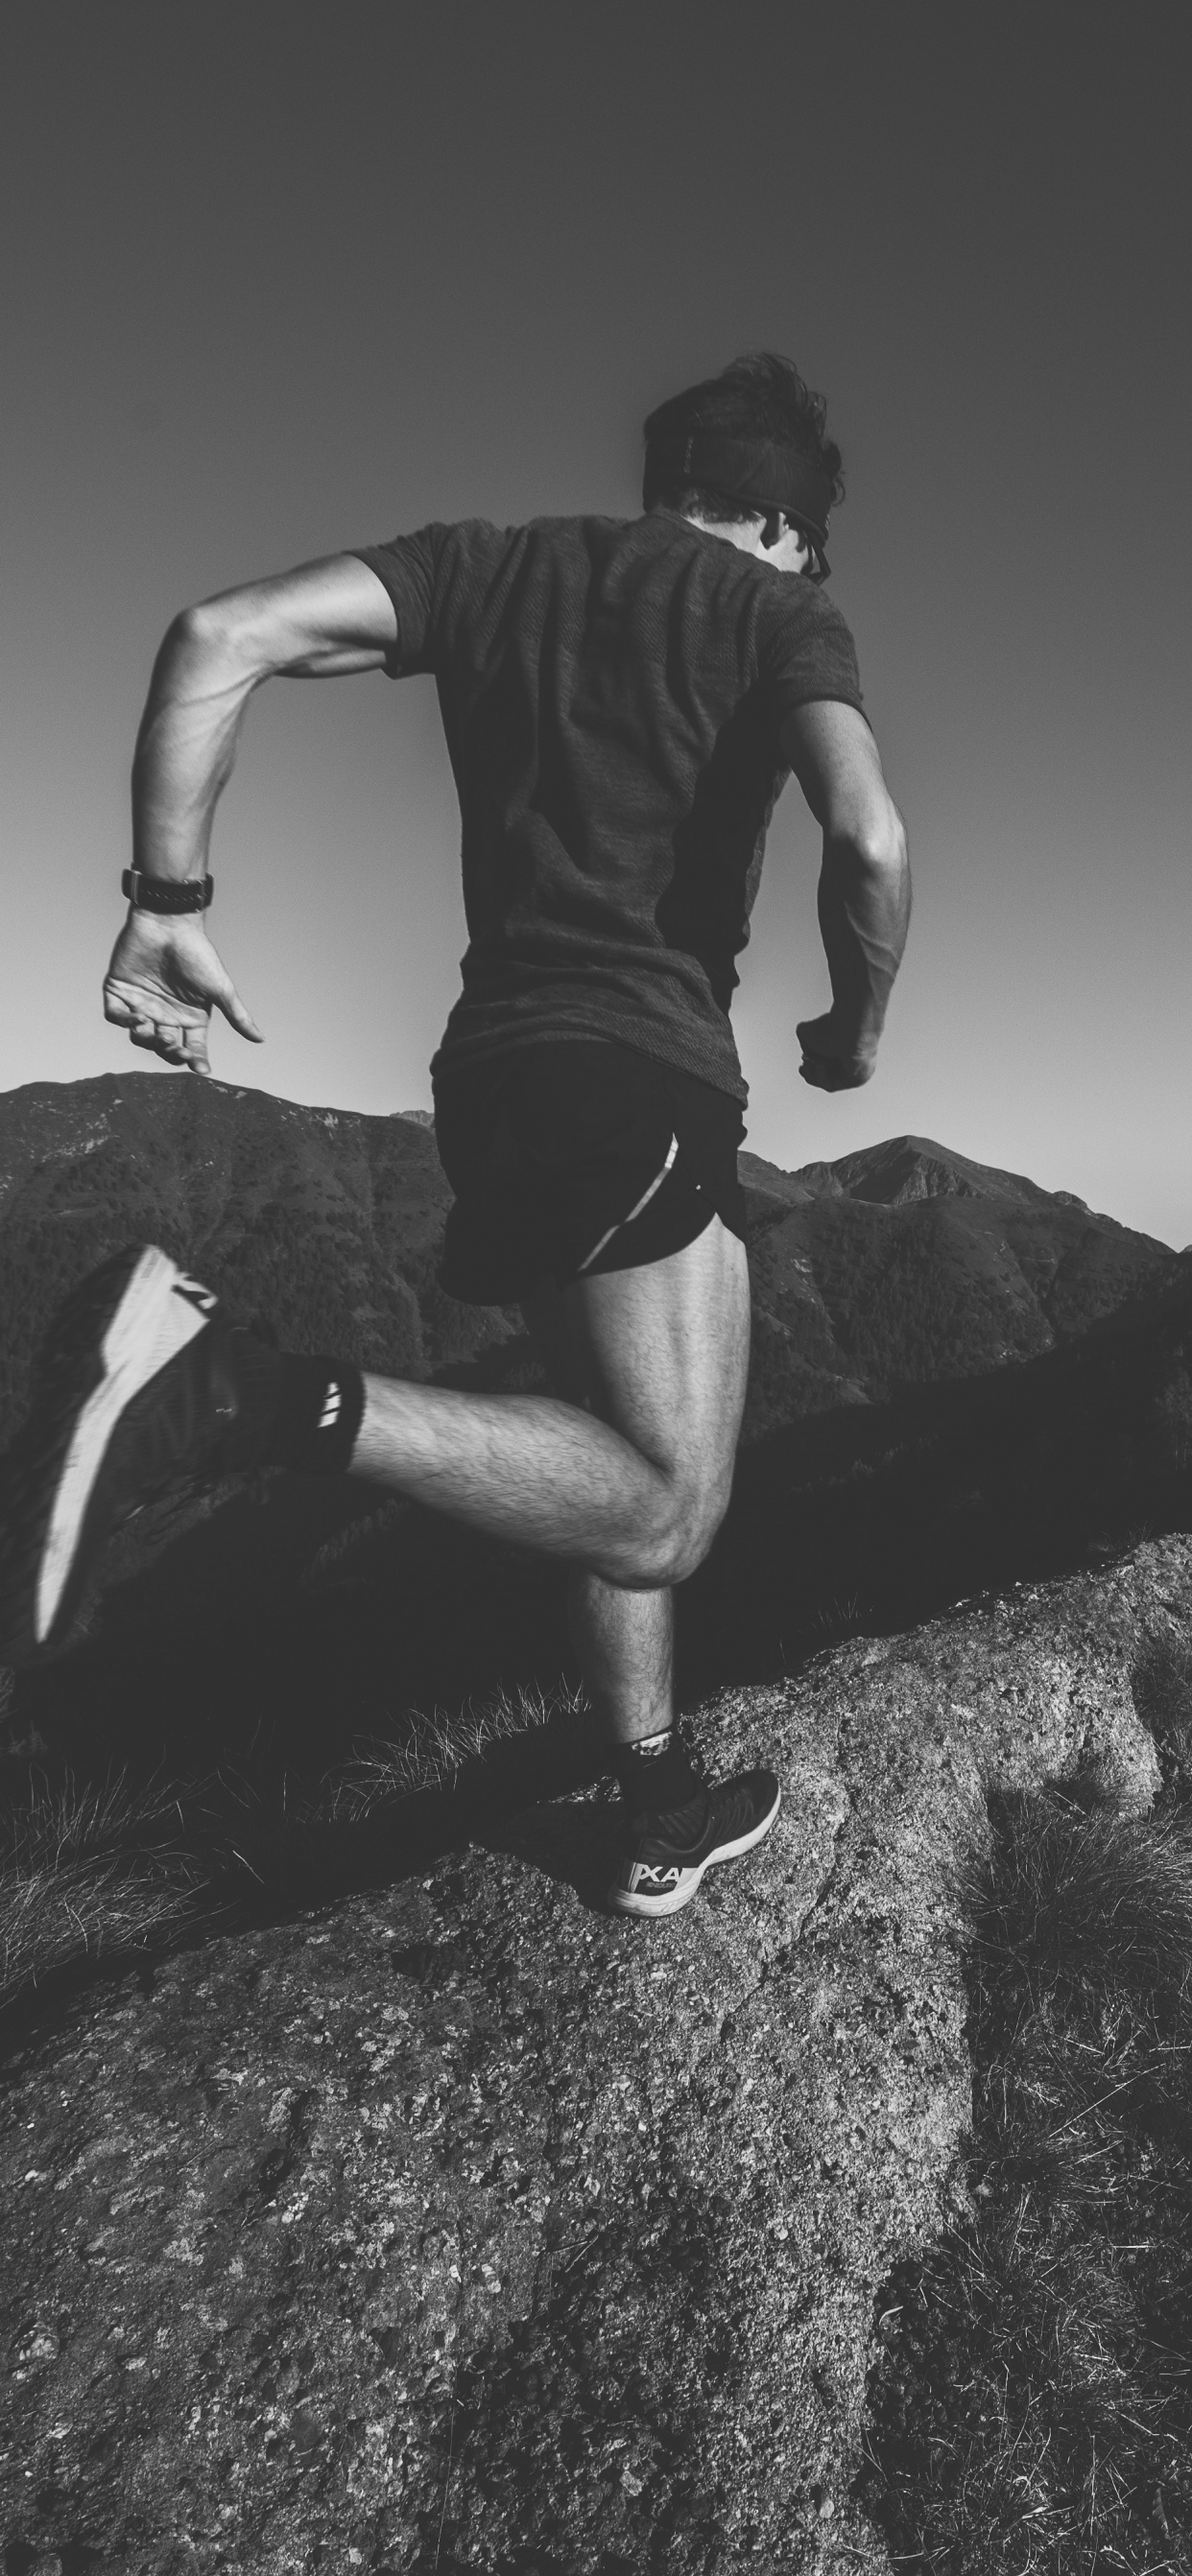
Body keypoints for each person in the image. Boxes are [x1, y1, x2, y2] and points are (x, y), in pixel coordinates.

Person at [0, 353, 909, 1918]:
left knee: (594, 1447)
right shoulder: (775, 618)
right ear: (776, 519)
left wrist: (165, 902)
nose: (810, 567)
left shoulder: (497, 570)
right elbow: (870, 837)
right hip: (641, 1072)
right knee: (671, 1506)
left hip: (489, 1078)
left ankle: (648, 1796)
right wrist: (853, 1029)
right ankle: (242, 1393)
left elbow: (222, 635)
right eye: (810, 542)